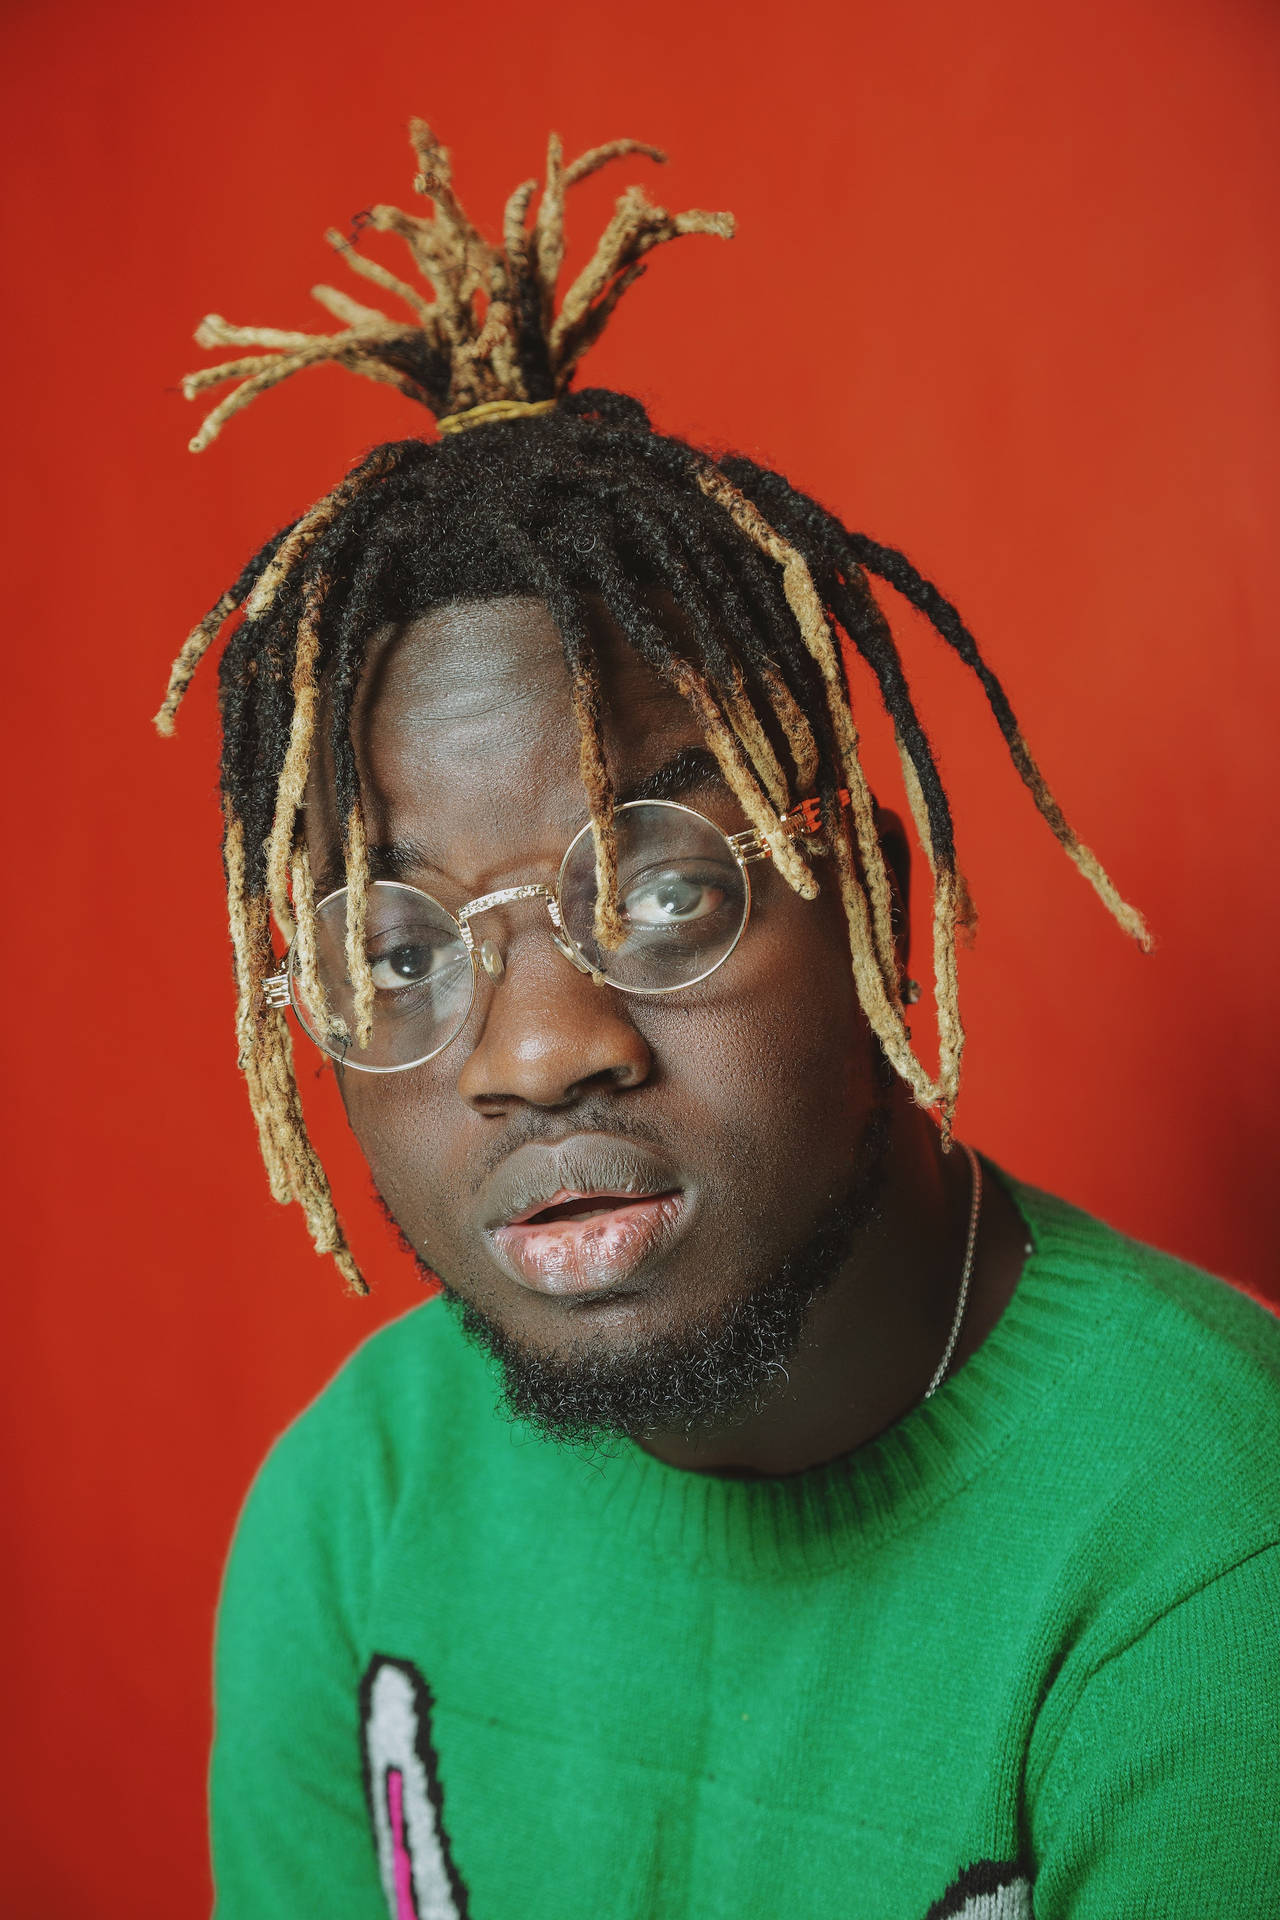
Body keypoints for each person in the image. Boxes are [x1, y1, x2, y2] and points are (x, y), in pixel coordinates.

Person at [157, 118, 1280, 1919]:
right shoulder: (352, 1514)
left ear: (877, 912)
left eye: (665, 891)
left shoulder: (1211, 1567)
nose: (536, 1050)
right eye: (400, 954)